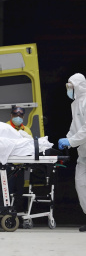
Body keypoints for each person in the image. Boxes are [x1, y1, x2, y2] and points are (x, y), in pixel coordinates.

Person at [58, 73, 86, 232]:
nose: (69, 90)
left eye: (71, 86)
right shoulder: (75, 105)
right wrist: (67, 139)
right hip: (83, 154)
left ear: (79, 86)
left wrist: (71, 141)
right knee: (81, 184)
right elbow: (75, 127)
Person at [6, 106, 33, 215]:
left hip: (20, 166)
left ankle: (17, 215)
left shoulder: (26, 130)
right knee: (7, 191)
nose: (18, 117)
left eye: (20, 115)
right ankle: (5, 214)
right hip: (8, 165)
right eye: (15, 115)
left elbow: (29, 145)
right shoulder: (5, 127)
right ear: (11, 115)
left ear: (23, 116)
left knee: (19, 193)